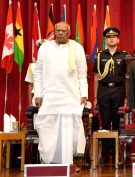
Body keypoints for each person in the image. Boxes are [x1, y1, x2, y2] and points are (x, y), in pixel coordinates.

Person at [33, 22, 88, 164]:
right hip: (49, 96)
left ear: (69, 33)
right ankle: (48, 162)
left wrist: (84, 94)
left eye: (64, 31)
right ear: (54, 31)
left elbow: (82, 74)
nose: (61, 33)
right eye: (58, 30)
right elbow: (38, 72)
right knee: (47, 130)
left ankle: (70, 162)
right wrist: (38, 94)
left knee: (72, 132)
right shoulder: (45, 48)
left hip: (71, 96)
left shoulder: (77, 48)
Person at [93, 27, 127, 163]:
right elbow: (96, 77)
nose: (111, 39)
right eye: (108, 37)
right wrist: (95, 97)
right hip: (104, 90)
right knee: (106, 123)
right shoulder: (100, 55)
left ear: (118, 39)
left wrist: (126, 97)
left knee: (118, 122)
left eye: (114, 37)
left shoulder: (124, 56)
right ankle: (106, 154)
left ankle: (117, 153)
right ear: (106, 40)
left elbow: (127, 77)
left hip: (119, 90)